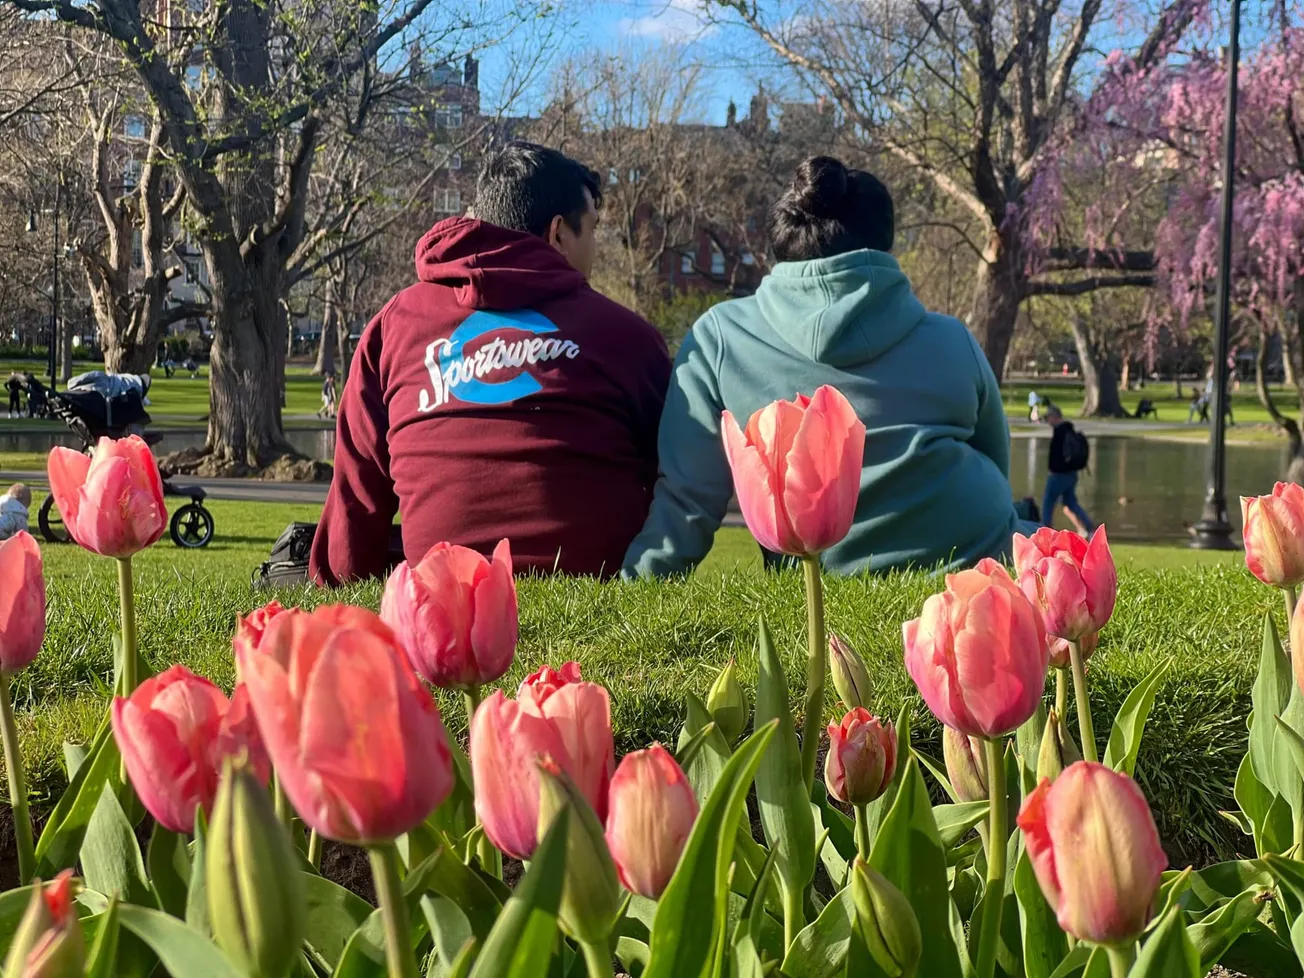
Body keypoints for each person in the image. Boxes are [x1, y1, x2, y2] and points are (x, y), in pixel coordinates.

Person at [622, 156, 1025, 578]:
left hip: (822, 576)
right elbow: (996, 464)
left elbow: (688, 500)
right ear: (882, 245)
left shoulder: (719, 336)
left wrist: (635, 584)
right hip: (981, 561)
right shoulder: (952, 339)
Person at [310, 141, 671, 584]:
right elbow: (676, 481)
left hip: (443, 614)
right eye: (592, 230)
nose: (595, 247)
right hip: (594, 615)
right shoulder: (627, 338)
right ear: (558, 232)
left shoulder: (394, 326)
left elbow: (357, 496)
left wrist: (341, 601)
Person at [1042, 406, 1094, 534]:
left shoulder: (1060, 433)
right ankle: (1089, 526)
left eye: (1048, 417)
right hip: (1072, 474)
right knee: (1070, 502)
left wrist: (1053, 470)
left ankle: (1045, 530)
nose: (1048, 420)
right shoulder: (1069, 431)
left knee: (1048, 502)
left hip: (1060, 475)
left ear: (1055, 417)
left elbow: (1057, 456)